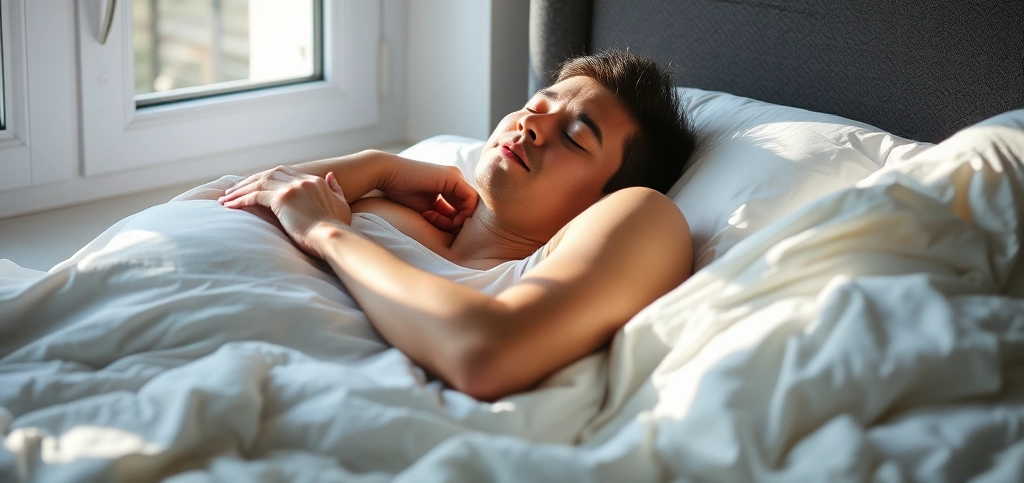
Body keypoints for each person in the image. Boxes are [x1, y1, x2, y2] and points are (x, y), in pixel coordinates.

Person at [218, 48, 697, 401]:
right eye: (536, 106)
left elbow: (485, 354)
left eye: (574, 138)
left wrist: (327, 233)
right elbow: (226, 203)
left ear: (605, 200)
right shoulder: (388, 203)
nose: (532, 126)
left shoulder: (643, 213)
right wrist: (377, 166)